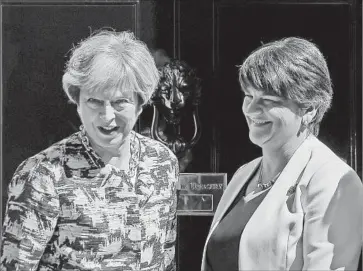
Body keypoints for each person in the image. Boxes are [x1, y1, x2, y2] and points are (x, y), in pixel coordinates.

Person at [1, 29, 179, 271]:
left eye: (119, 102)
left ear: (140, 104)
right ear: (77, 103)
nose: (107, 116)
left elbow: (166, 258)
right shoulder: (43, 175)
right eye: (94, 101)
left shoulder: (162, 162)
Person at [201, 37, 363, 270]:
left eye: (268, 100)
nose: (252, 109)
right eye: (249, 96)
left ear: (309, 109)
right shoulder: (243, 174)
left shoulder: (334, 181)